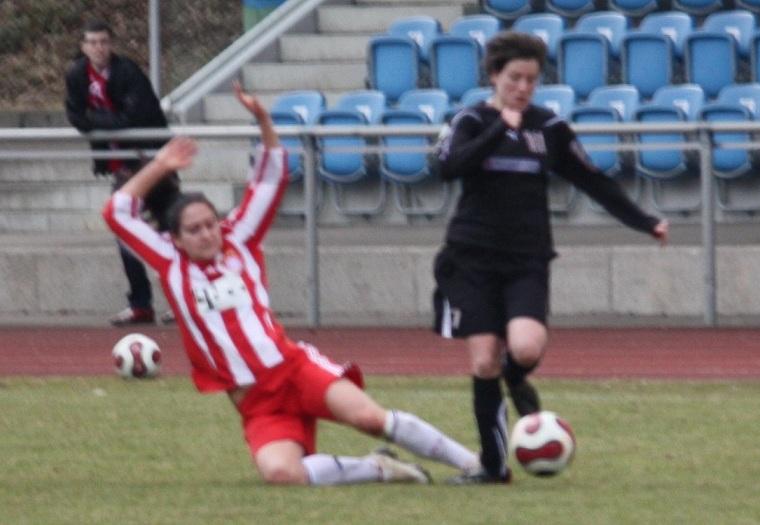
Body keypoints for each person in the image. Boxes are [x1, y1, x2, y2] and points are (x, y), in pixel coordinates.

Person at [103, 82, 481, 486]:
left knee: (370, 418)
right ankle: (378, 468)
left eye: (210, 224)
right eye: (193, 230)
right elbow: (117, 211)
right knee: (283, 474)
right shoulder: (169, 262)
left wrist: (264, 121)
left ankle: (476, 463)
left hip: (292, 369)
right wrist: (161, 164)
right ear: (176, 238)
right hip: (256, 401)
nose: (206, 234)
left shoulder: (240, 241)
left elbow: (270, 175)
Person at [432, 32, 669, 484]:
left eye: (531, 80)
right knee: (482, 361)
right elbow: (448, 167)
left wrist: (644, 221)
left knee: (525, 348)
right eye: (515, 78)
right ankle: (493, 466)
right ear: (494, 76)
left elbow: (593, 180)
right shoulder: (470, 121)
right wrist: (503, 126)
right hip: (471, 259)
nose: (523, 88)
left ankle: (515, 377)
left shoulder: (550, 129)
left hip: (526, 259)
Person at [65, 20, 180, 326]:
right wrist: (101, 121)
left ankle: (184, 300)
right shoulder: (77, 74)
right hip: (120, 165)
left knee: (173, 228)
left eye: (104, 41)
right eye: (93, 42)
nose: (99, 48)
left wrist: (96, 119)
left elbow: (134, 117)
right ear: (84, 47)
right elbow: (76, 116)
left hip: (150, 158)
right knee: (124, 229)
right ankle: (141, 304)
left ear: (110, 44)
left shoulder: (127, 72)